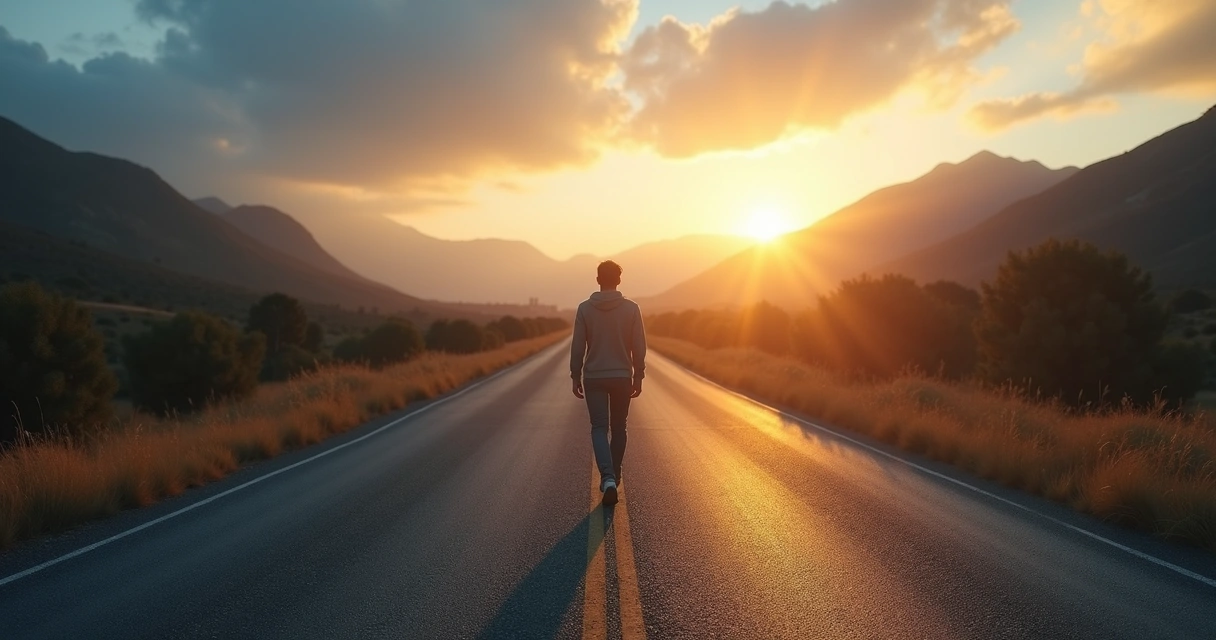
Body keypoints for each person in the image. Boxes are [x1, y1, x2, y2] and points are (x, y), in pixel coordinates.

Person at [570, 260, 646, 506]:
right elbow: (639, 346)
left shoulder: (584, 309)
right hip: (622, 376)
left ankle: (608, 478)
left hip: (594, 376)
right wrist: (639, 375)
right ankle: (615, 475)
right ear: (619, 280)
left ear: (597, 280)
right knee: (620, 427)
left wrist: (575, 374)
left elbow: (578, 346)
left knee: (599, 428)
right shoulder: (632, 309)